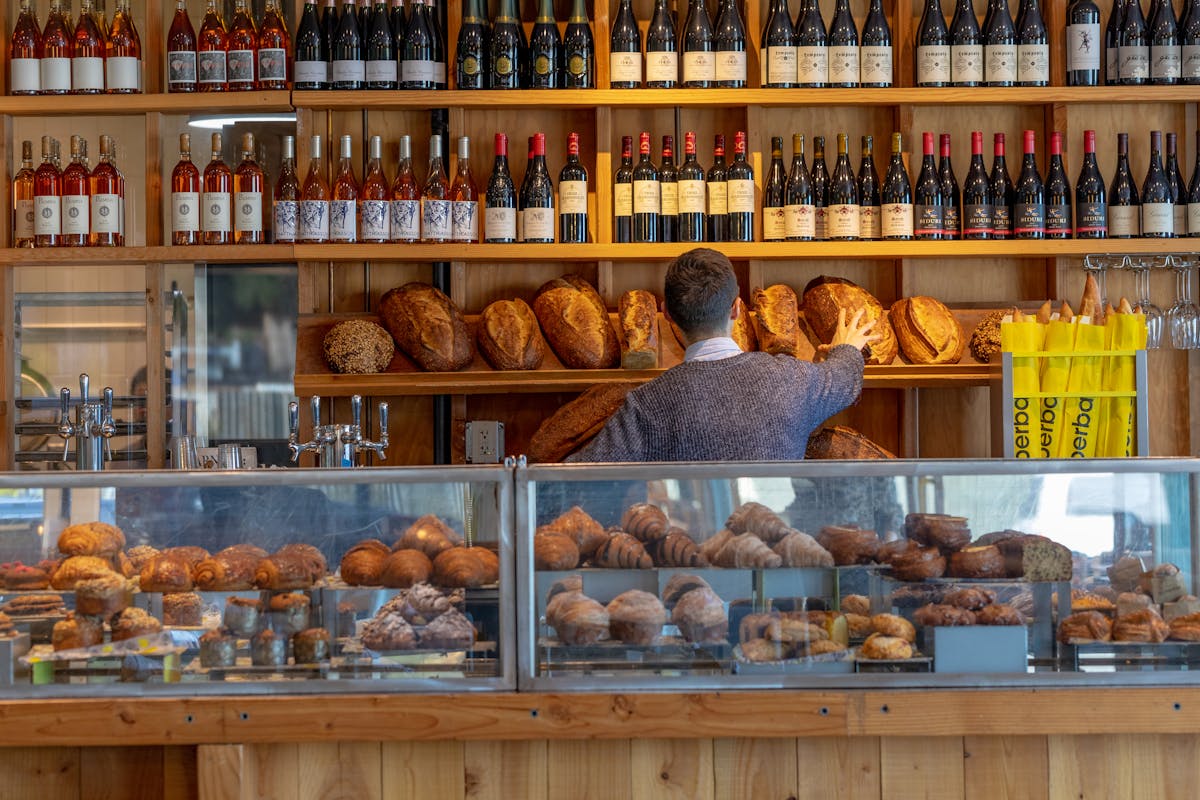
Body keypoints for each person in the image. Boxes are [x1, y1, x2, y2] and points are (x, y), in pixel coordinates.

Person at [567, 247, 878, 463]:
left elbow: (581, 476)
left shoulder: (648, 405)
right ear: (737, 308)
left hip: (689, 555)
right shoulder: (791, 379)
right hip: (776, 550)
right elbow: (844, 379)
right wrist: (846, 347)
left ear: (667, 315)